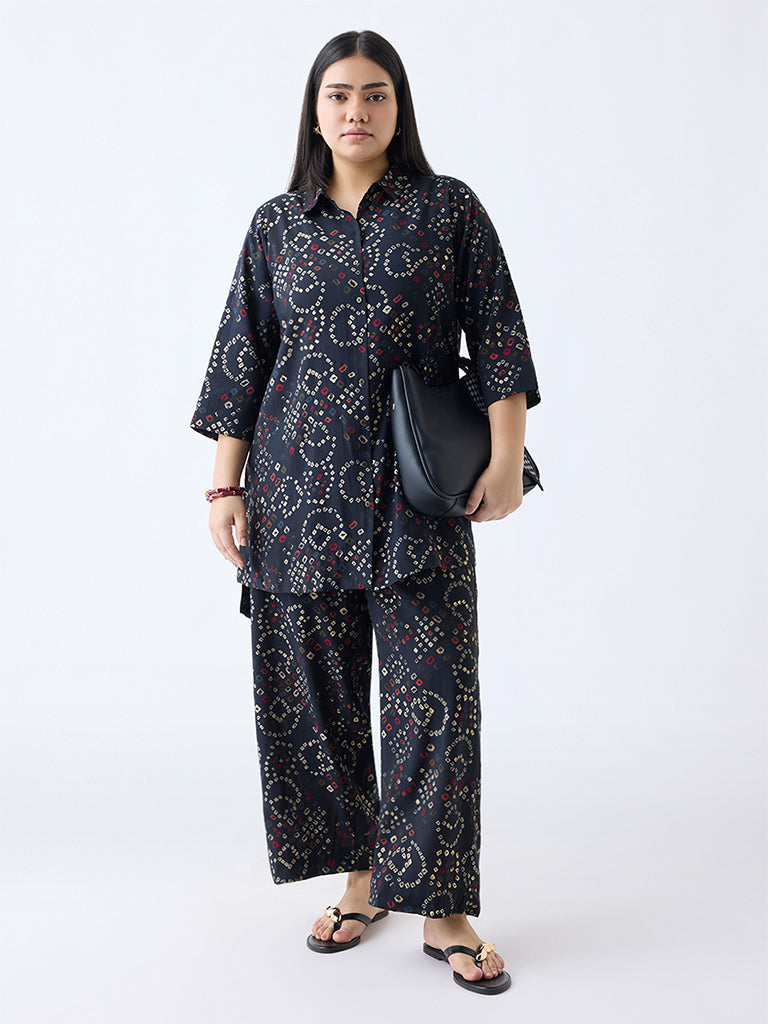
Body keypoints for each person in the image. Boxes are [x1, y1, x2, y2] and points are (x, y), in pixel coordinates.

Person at [189, 28, 541, 996]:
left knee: (435, 698)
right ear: (315, 111)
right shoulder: (277, 224)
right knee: (319, 698)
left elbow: (500, 335)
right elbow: (243, 356)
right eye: (339, 94)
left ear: (399, 107)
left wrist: (506, 459)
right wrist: (224, 485)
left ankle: (442, 909)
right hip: (295, 494)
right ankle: (362, 879)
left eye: (375, 94)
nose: (356, 110)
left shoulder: (447, 209)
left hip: (418, 495)